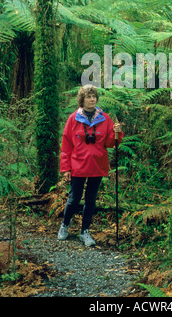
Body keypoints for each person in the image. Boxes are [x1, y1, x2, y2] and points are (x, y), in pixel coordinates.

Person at [58, 85, 123, 246]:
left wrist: (117, 133)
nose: (92, 99)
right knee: (74, 199)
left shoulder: (105, 118)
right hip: (78, 166)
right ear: (82, 100)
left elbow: (110, 143)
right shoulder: (73, 118)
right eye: (88, 97)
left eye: (94, 96)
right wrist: (66, 168)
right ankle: (65, 225)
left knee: (91, 200)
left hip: (97, 166)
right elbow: (66, 145)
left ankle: (84, 232)